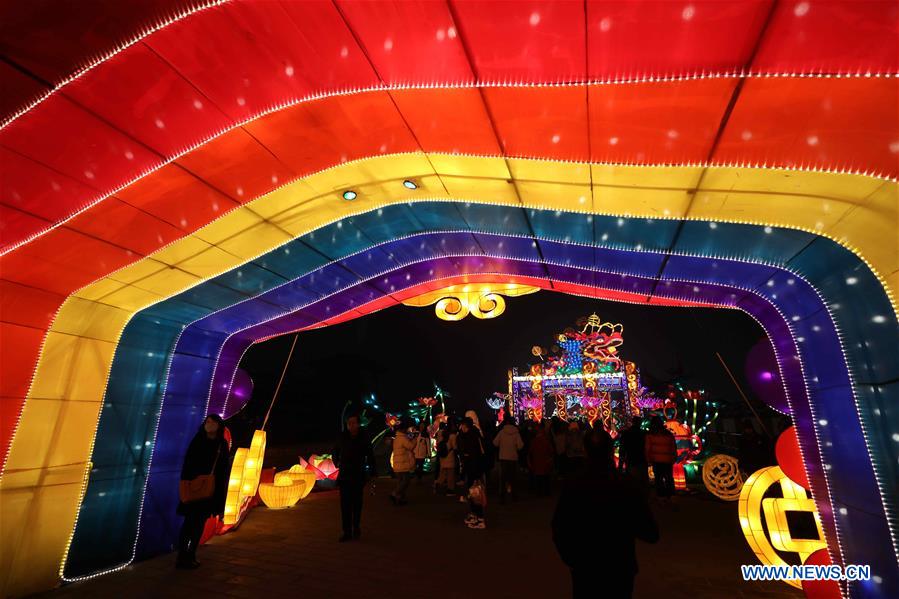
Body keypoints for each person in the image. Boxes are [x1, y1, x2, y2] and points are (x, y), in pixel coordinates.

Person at [552, 427, 659, 598]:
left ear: (585, 451)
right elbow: (650, 533)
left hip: (585, 567)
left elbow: (559, 527)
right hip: (620, 567)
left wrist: (571, 559)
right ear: (611, 451)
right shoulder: (627, 485)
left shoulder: (573, 484)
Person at [176, 414, 230, 569]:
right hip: (194, 489)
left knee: (198, 524)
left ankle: (191, 554)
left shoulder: (221, 444)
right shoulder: (198, 440)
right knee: (189, 524)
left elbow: (223, 470)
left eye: (213, 422)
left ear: (219, 425)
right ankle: (182, 556)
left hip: (209, 491)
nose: (210, 424)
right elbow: (188, 464)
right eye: (207, 421)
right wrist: (189, 482)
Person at [332, 414, 376, 541]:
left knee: (357, 504)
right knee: (345, 505)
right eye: (349, 423)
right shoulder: (342, 437)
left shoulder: (364, 438)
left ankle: (356, 527)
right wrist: (337, 462)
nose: (351, 425)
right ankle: (346, 531)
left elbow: (370, 455)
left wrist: (372, 472)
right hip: (345, 475)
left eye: (353, 423)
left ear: (358, 424)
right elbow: (335, 450)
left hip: (358, 474)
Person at [645, 416, 677, 501]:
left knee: (658, 479)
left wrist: (648, 459)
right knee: (669, 478)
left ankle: (661, 496)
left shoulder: (650, 434)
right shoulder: (668, 434)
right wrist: (674, 457)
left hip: (656, 460)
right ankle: (671, 495)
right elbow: (673, 447)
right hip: (667, 459)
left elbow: (647, 448)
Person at [493, 415, 524, 503]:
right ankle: (514, 496)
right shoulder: (516, 433)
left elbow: (495, 443)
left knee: (503, 479)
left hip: (503, 457)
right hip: (513, 458)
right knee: (513, 478)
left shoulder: (501, 432)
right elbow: (520, 446)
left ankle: (502, 497)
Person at [456, 417, 484, 501]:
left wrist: (465, 454)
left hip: (472, 460)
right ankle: (473, 496)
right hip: (474, 460)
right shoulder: (475, 433)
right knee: (473, 479)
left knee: (471, 479)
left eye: (463, 425)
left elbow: (471, 449)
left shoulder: (469, 436)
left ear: (466, 426)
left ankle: (473, 497)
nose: (462, 427)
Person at [390, 420, 416, 505]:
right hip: (402, 463)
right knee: (406, 481)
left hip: (398, 463)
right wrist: (415, 439)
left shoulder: (397, 438)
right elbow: (411, 446)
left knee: (401, 481)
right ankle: (395, 493)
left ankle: (400, 499)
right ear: (403, 429)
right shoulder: (402, 438)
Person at [618, 417, 648, 487]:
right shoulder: (644, 433)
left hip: (630, 458)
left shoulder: (626, 433)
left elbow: (622, 448)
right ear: (640, 423)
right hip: (641, 458)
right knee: (642, 478)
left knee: (632, 478)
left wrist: (621, 463)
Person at [528, 423, 555, 496]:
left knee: (538, 478)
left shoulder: (534, 441)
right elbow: (551, 450)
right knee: (546, 477)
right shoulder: (546, 440)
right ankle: (546, 492)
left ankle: (539, 492)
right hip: (545, 461)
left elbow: (530, 452)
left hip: (537, 461)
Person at [435, 427, 457, 495]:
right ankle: (450, 490)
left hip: (442, 460)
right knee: (450, 476)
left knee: (442, 475)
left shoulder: (441, 440)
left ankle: (437, 484)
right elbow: (455, 448)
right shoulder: (451, 439)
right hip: (450, 460)